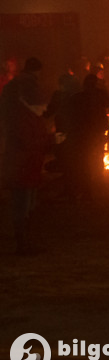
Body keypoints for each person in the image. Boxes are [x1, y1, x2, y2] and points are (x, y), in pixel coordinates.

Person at [2, 81, 53, 254]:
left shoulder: (29, 117)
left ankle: (26, 242)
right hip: (22, 169)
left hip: (28, 168)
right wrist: (51, 140)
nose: (45, 109)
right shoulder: (22, 119)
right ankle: (22, 244)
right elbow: (27, 143)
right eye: (43, 105)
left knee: (28, 207)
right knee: (22, 208)